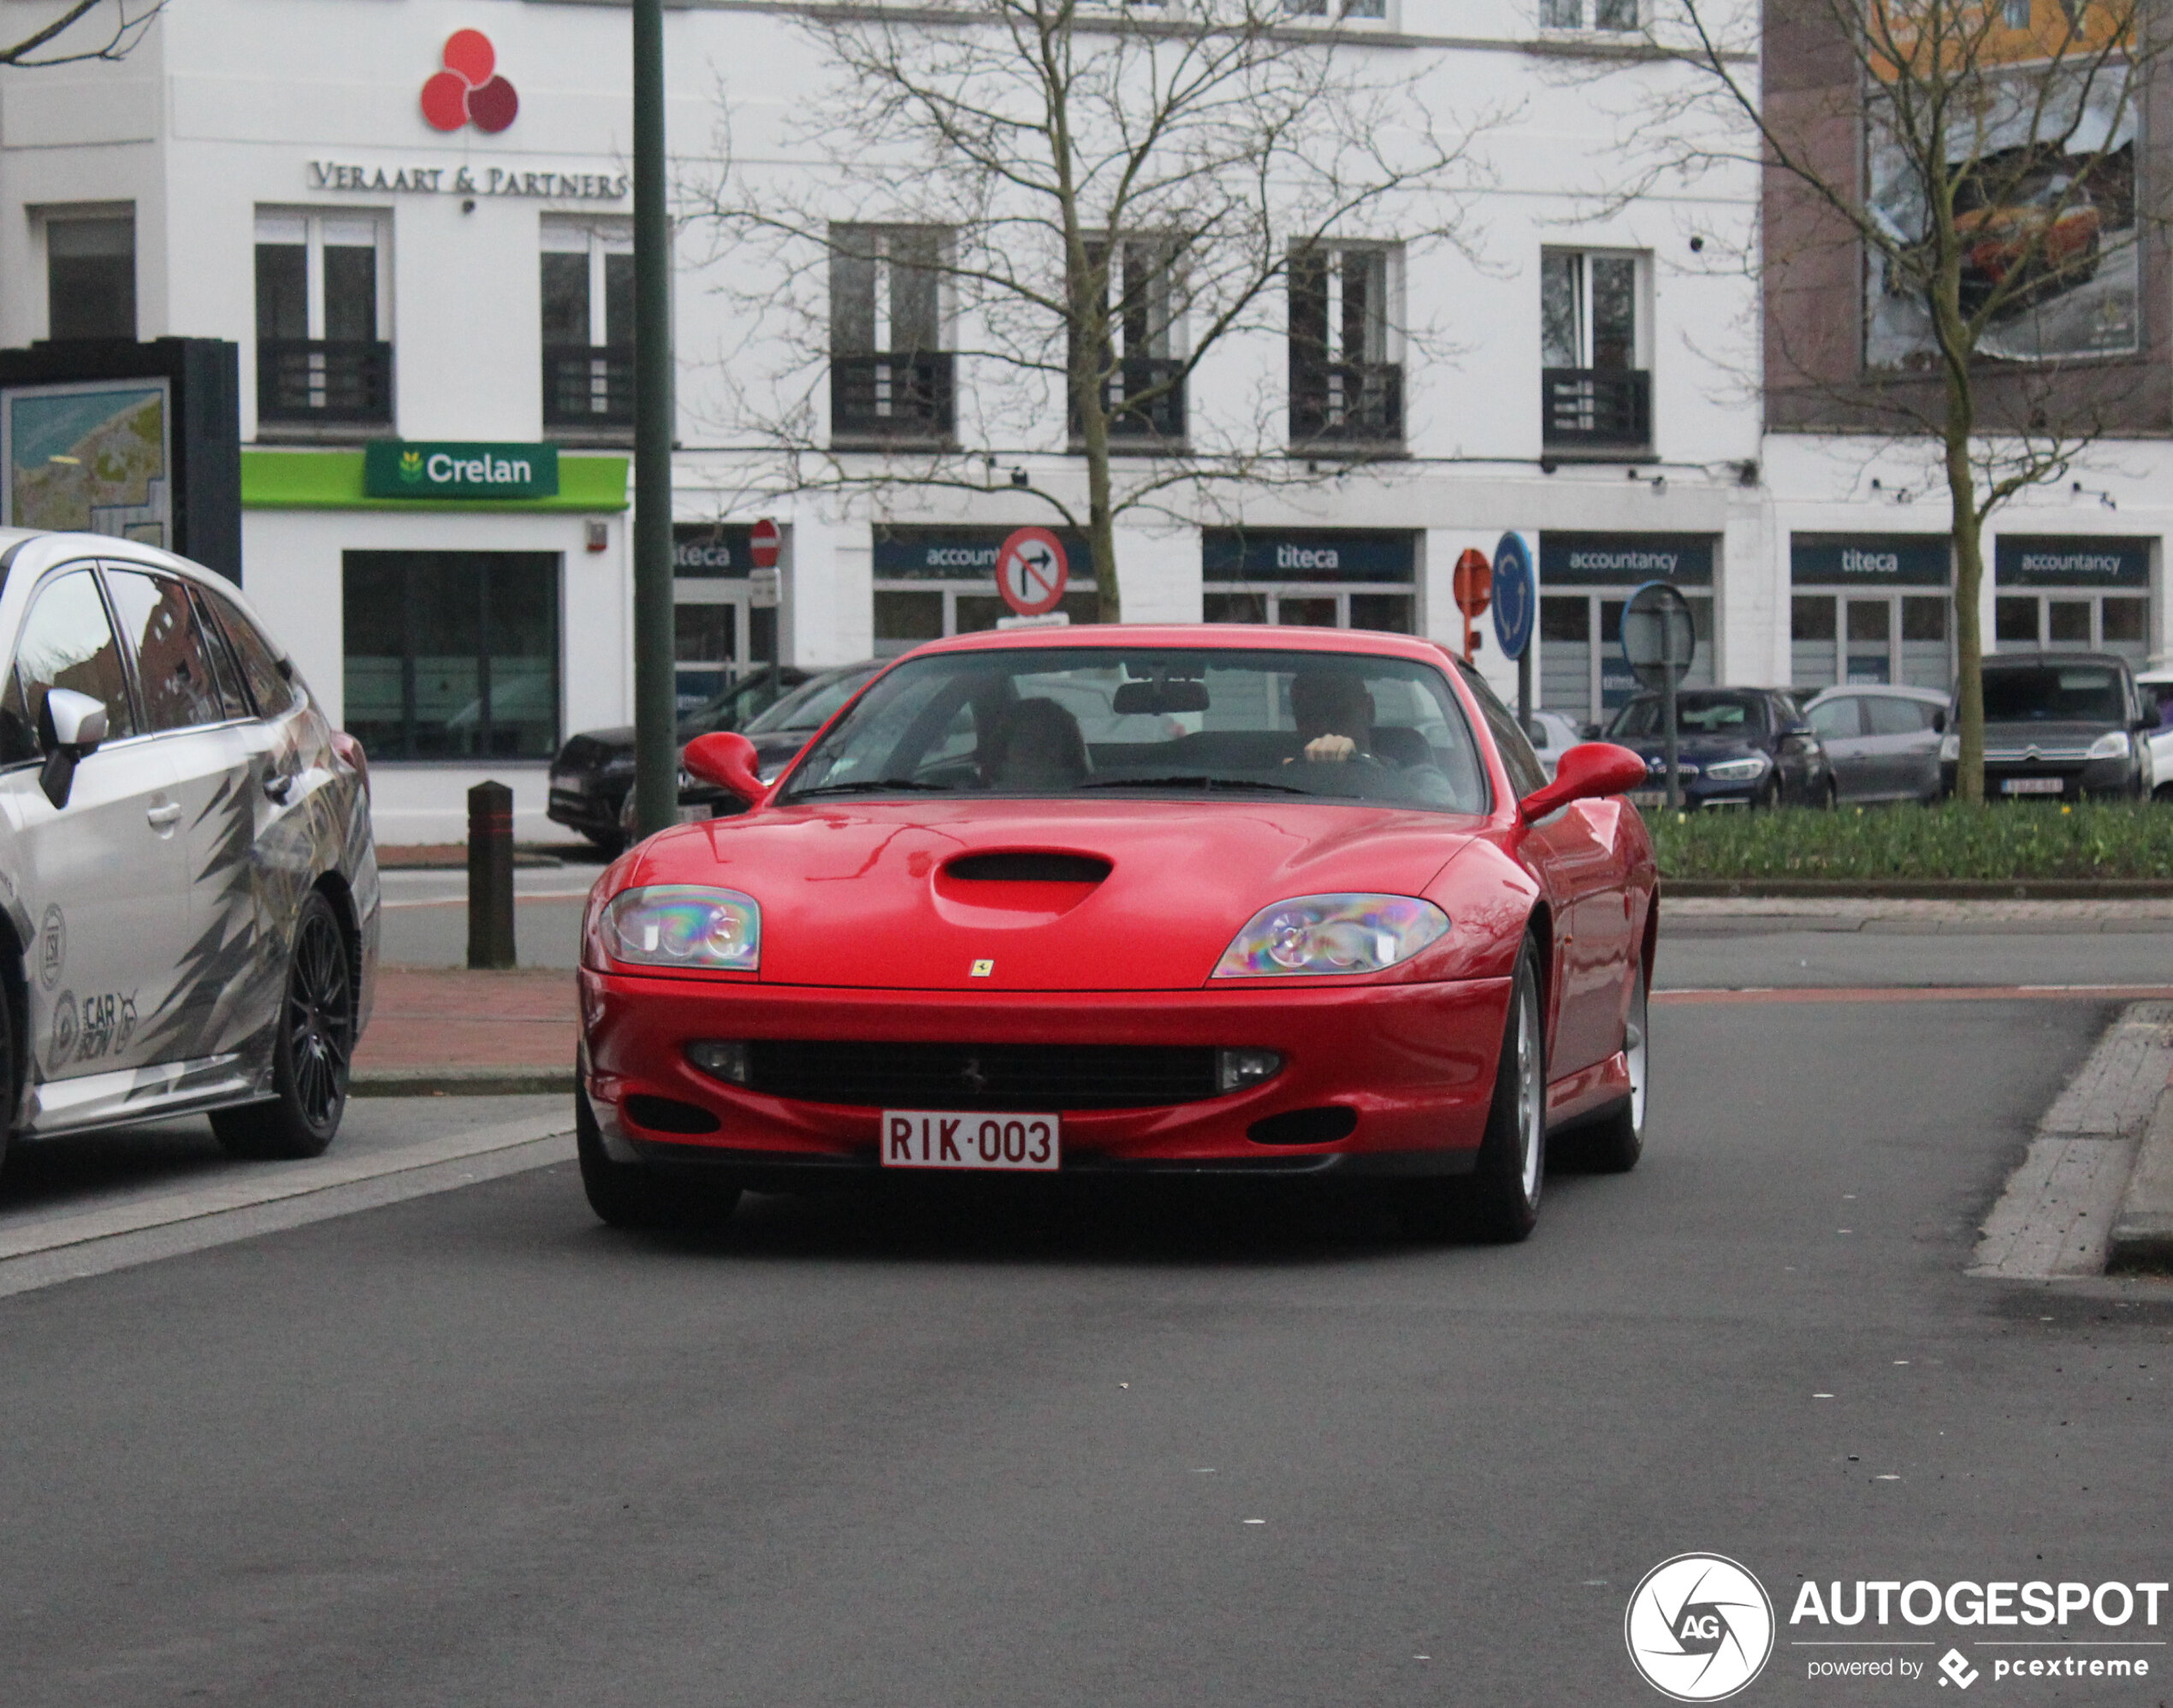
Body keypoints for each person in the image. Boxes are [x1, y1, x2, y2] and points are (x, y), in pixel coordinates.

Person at [982, 697, 1090, 789]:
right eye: (1025, 740)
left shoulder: (979, 798)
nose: (1036, 749)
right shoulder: (1092, 793)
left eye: (1048, 738)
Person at [1288, 670, 1376, 764]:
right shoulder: (1282, 775)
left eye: (1339, 714)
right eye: (1311, 717)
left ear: (1368, 709)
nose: (1323, 727)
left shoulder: (1391, 774)